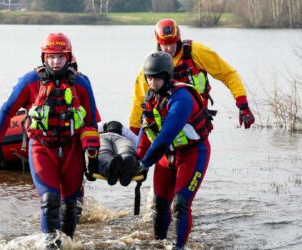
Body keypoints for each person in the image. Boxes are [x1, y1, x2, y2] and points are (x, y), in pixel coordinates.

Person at [0, 33, 100, 248]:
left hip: (71, 149)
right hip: (42, 148)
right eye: (51, 57)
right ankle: (50, 246)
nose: (56, 62)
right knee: (50, 201)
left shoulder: (81, 83)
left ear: (68, 57)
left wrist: (92, 156)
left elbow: (90, 123)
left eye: (60, 57)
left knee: (70, 206)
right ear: (43, 57)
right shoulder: (30, 81)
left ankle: (67, 244)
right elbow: (5, 111)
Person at [136, 51, 212, 249]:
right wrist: (137, 158)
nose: (153, 82)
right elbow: (147, 130)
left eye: (158, 77)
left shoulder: (182, 99)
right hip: (166, 156)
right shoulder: (151, 96)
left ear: (168, 76)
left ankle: (179, 247)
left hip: (193, 153)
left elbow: (164, 138)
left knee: (180, 204)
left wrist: (144, 164)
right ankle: (159, 245)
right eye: (149, 77)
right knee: (159, 205)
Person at [129, 18, 254, 134]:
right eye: (164, 44)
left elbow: (228, 74)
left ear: (178, 38)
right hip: (167, 123)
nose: (169, 48)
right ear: (158, 42)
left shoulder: (196, 51)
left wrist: (243, 105)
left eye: (172, 42)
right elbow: (139, 99)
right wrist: (134, 132)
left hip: (196, 121)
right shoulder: (152, 64)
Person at [89, 120, 139, 186]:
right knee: (126, 150)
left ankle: (108, 169)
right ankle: (127, 165)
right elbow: (138, 143)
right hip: (121, 138)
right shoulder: (125, 130)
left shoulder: (98, 125)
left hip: (101, 136)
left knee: (103, 152)